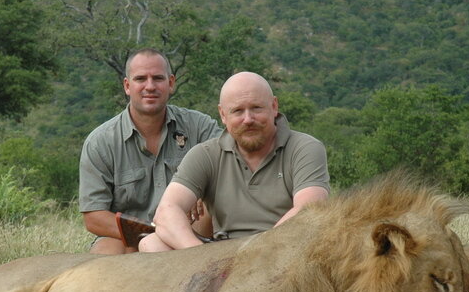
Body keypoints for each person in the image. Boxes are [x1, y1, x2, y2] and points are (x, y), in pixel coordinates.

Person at [139, 71, 330, 252]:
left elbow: (308, 210)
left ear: (274, 106)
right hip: (222, 256)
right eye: (238, 111)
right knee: (152, 244)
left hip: (284, 250)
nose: (248, 119)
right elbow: (166, 212)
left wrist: (256, 254)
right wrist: (199, 255)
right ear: (223, 115)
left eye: (256, 108)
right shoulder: (206, 154)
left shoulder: (304, 148)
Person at [79, 48, 222, 254]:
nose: (150, 86)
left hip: (190, 232)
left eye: (157, 78)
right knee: (104, 255)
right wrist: (152, 233)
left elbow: (231, 166)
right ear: (127, 86)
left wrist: (204, 191)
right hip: (128, 239)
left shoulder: (200, 127)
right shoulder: (100, 142)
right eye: (140, 79)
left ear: (170, 83)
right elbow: (94, 217)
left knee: (208, 209)